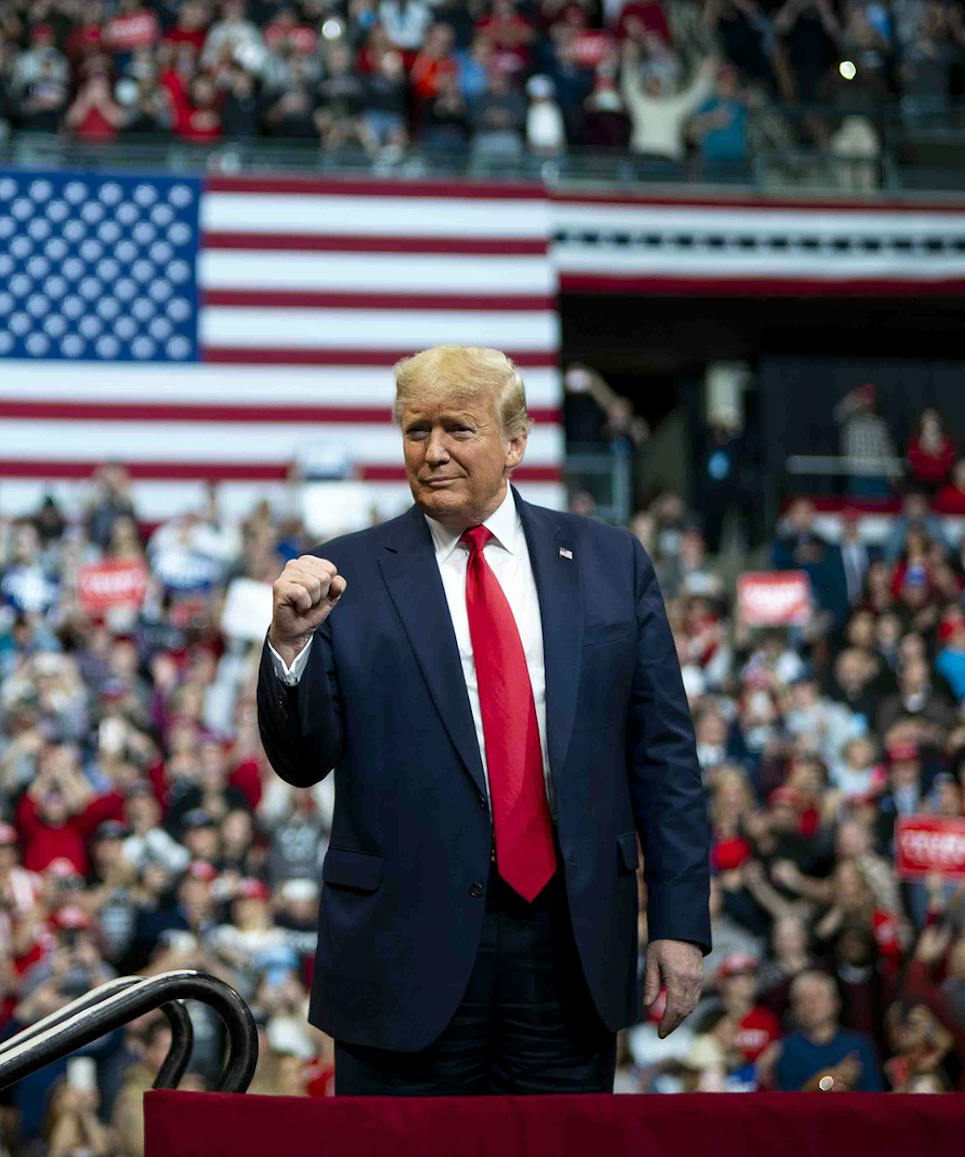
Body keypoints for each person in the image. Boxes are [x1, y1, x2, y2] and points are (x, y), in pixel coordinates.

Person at [258, 344, 708, 1095]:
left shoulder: (611, 562)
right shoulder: (343, 576)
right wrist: (288, 646)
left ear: (516, 442)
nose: (432, 451)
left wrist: (679, 922)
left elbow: (663, 757)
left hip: (570, 951)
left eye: (458, 429)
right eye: (416, 430)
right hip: (401, 955)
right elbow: (302, 760)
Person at [773, 969, 884, 1091]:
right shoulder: (786, 1048)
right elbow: (787, 1098)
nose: (808, 1006)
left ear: (835, 1002)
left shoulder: (859, 1045)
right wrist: (827, 1079)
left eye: (815, 998)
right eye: (800, 1001)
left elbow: (875, 1093)